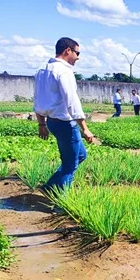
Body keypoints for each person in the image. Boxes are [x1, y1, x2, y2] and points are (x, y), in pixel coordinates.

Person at [34, 37, 94, 193]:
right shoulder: (64, 71)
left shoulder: (42, 69)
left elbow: (38, 99)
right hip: (65, 124)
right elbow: (72, 101)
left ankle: (49, 188)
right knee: (70, 165)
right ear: (68, 51)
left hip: (52, 123)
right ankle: (60, 203)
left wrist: (41, 123)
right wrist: (85, 128)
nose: (78, 57)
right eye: (77, 53)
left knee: (81, 155)